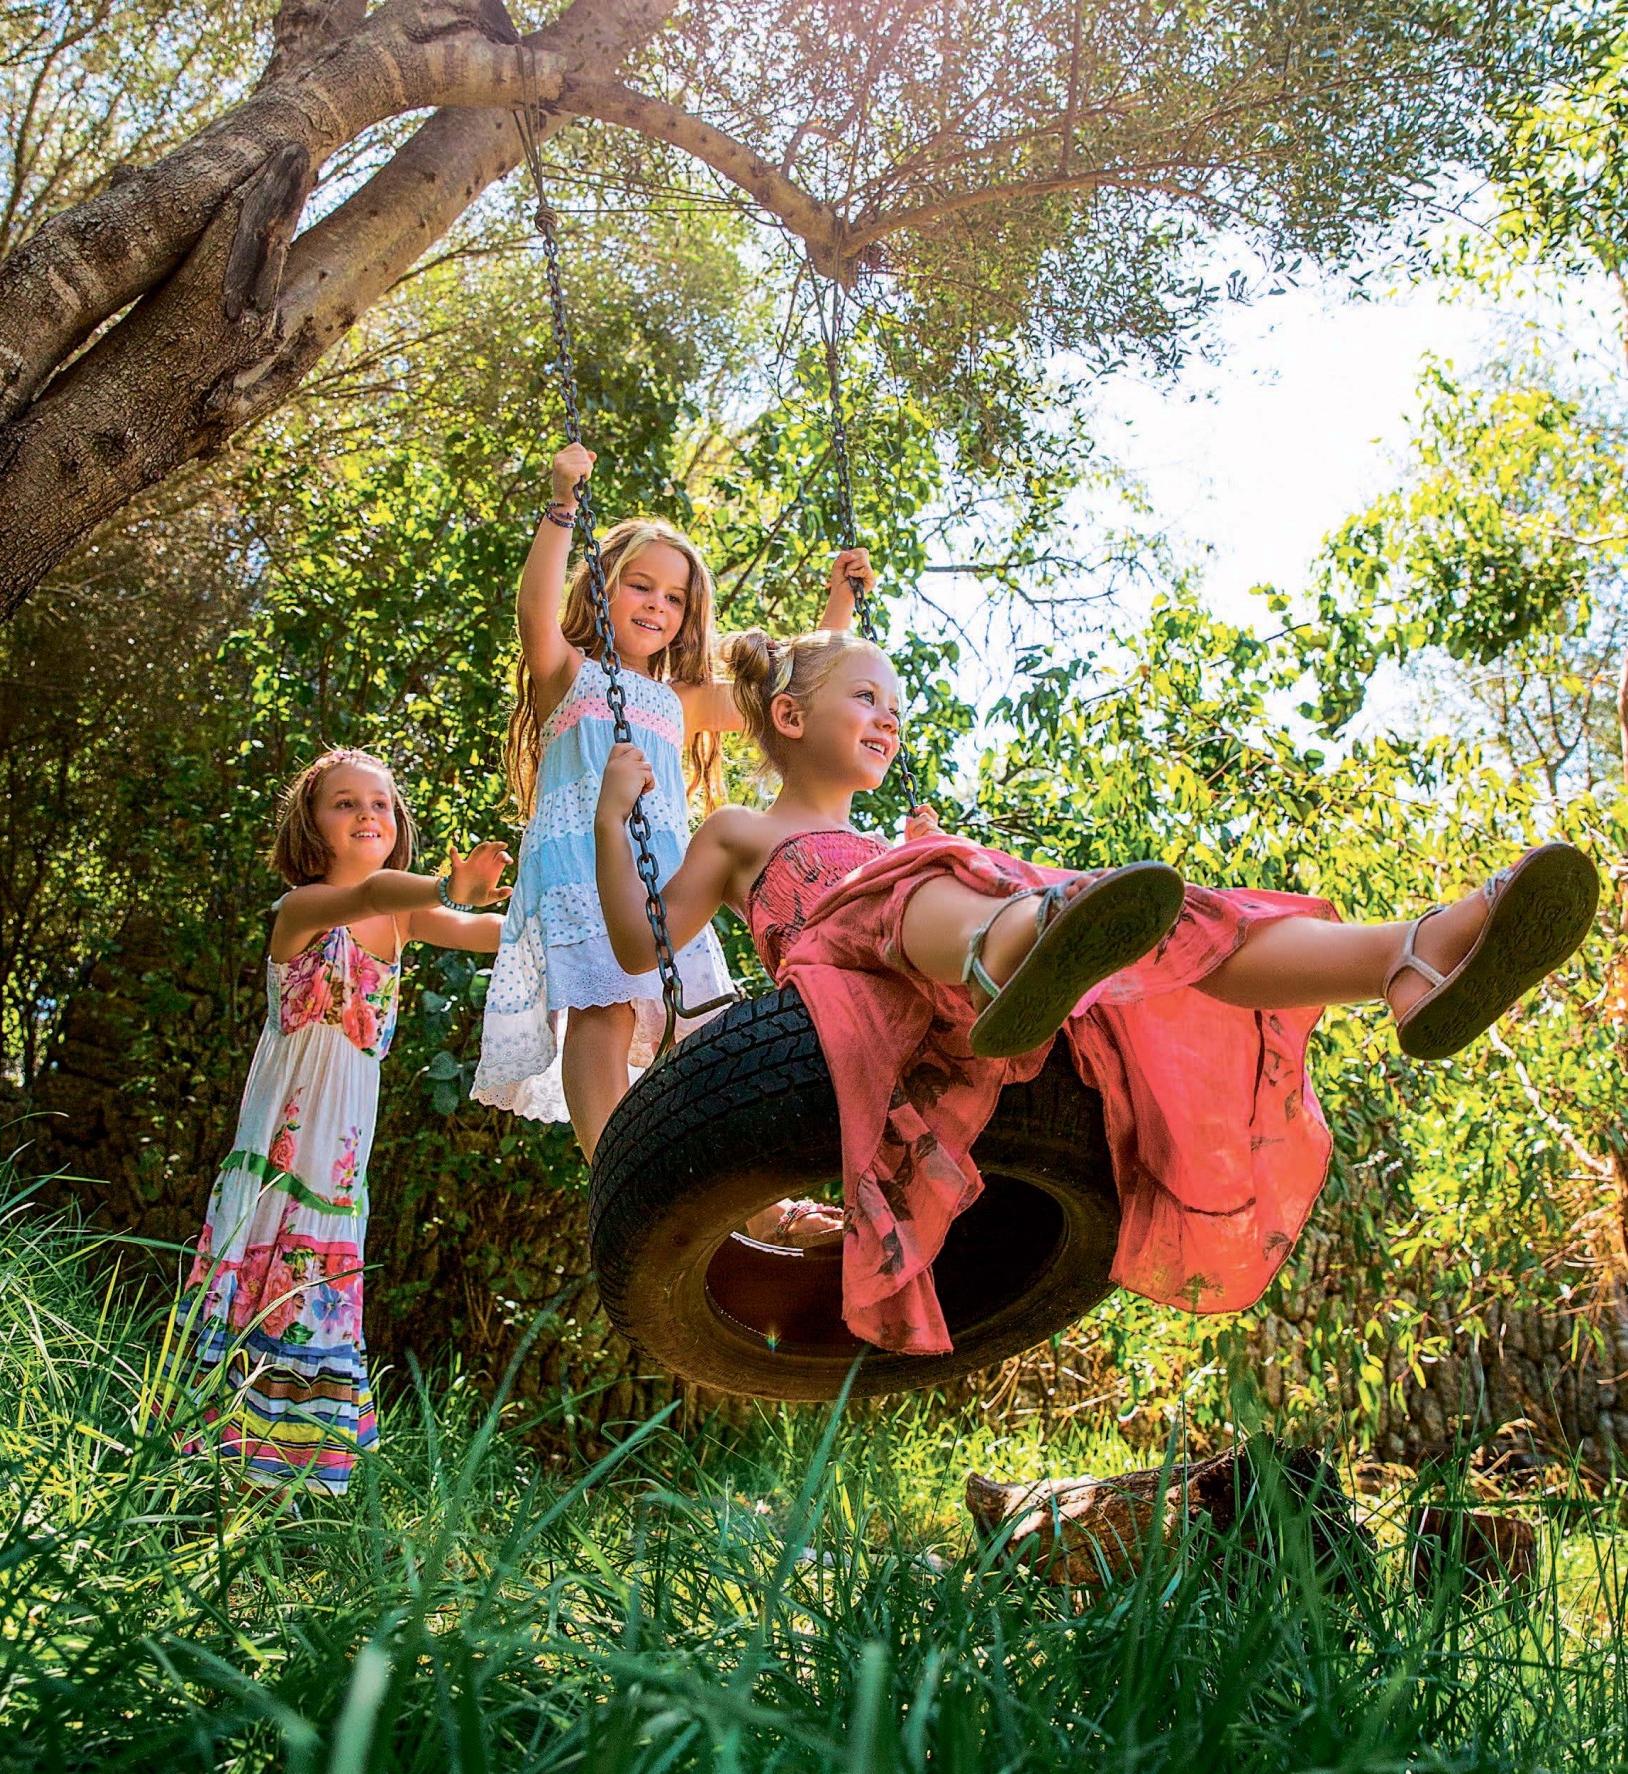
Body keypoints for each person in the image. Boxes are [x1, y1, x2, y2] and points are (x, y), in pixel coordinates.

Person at [593, 627, 1599, 1356]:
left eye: (895, 704)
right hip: (857, 977)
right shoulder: (743, 833)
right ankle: (1007, 945)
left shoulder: (897, 841)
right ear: (788, 717)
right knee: (918, 883)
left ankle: (1407, 957)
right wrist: (611, 817)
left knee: (1179, 921)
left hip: (976, 983)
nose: (889, 716)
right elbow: (641, 943)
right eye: (867, 697)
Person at [471, 439, 873, 1160]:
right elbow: (533, 611)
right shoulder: (569, 672)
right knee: (605, 1010)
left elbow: (793, 698)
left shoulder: (680, 699)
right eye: (640, 586)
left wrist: (839, 602)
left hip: (662, 873)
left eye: (674, 597)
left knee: (694, 1031)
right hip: (581, 860)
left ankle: (736, 1202)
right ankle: (613, 1169)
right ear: (600, 588)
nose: (657, 604)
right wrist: (562, 506)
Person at [161, 747, 509, 1496]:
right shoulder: (304, 907)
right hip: (284, 1138)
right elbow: (371, 893)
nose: (366, 814)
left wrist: (571, 914)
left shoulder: (405, 919)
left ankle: (284, 1469)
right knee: (265, 1268)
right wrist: (450, 886)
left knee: (314, 1281)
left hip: (342, 1148)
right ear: (310, 827)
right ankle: (210, 1457)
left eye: (380, 803)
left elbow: (490, 933)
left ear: (398, 823)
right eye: (344, 803)